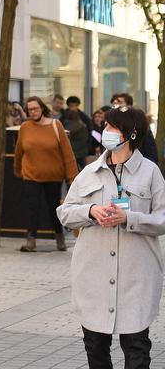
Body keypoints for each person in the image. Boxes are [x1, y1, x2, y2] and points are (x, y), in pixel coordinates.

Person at [57, 106, 165, 369]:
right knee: (95, 348)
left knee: (137, 348)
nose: (106, 132)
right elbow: (65, 212)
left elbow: (162, 218)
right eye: (105, 127)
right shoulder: (89, 172)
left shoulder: (150, 172)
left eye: (112, 128)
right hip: (94, 275)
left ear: (131, 134)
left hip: (135, 276)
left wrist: (130, 218)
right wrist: (91, 211)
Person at [14, 96, 78, 253]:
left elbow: (67, 154)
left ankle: (59, 238)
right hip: (31, 175)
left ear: (42, 108)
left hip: (53, 176)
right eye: (30, 109)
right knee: (32, 207)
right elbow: (19, 151)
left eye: (35, 108)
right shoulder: (25, 127)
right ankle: (31, 241)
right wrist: (17, 170)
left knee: (54, 208)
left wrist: (72, 178)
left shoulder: (56, 125)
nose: (33, 112)